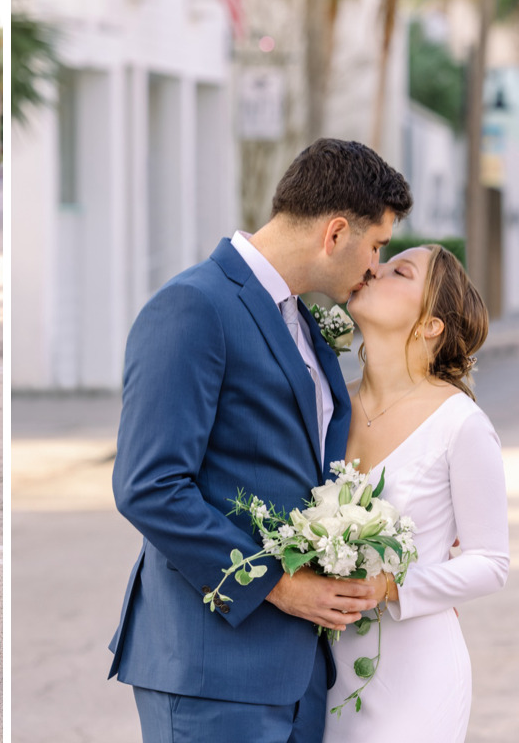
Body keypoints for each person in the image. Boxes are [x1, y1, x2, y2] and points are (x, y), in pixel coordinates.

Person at [109, 139, 413, 742]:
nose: (376, 266)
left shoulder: (301, 318)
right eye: (376, 246)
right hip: (212, 671)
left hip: (297, 675)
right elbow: (149, 486)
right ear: (334, 234)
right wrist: (279, 585)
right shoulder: (193, 306)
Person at [324, 245, 509, 742]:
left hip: (417, 675)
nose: (372, 271)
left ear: (430, 324)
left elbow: (491, 562)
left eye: (398, 271)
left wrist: (392, 586)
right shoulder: (328, 404)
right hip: (328, 675)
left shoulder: (460, 424)